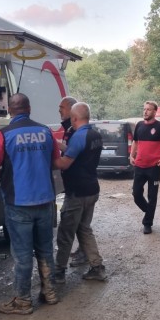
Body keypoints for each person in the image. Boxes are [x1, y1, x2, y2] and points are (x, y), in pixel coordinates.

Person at [0, 93, 59, 315]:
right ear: (29, 108)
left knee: (22, 254)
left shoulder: (4, 135)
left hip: (18, 204)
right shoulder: (46, 132)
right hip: (45, 201)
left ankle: (23, 301)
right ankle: (50, 293)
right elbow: (56, 162)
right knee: (45, 250)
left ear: (10, 110)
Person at [53, 102, 107, 282]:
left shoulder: (78, 136)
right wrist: (59, 146)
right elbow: (77, 153)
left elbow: (64, 163)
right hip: (92, 189)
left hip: (77, 192)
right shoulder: (95, 135)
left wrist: (46, 157)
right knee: (84, 229)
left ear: (74, 118)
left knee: (66, 233)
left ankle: (58, 272)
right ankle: (97, 267)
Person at [129, 101, 160, 234]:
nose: (145, 112)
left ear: (155, 112)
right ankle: (149, 211)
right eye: (144, 109)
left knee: (152, 196)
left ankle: (147, 223)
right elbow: (135, 142)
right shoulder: (139, 125)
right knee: (136, 194)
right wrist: (131, 156)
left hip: (154, 168)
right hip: (139, 165)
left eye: (148, 109)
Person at [57, 96, 89, 267]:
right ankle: (87, 256)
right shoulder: (71, 129)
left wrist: (51, 160)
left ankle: (59, 271)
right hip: (79, 187)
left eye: (61, 107)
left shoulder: (76, 131)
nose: (59, 111)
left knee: (71, 227)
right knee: (82, 226)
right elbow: (70, 150)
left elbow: (69, 159)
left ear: (71, 110)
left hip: (77, 188)